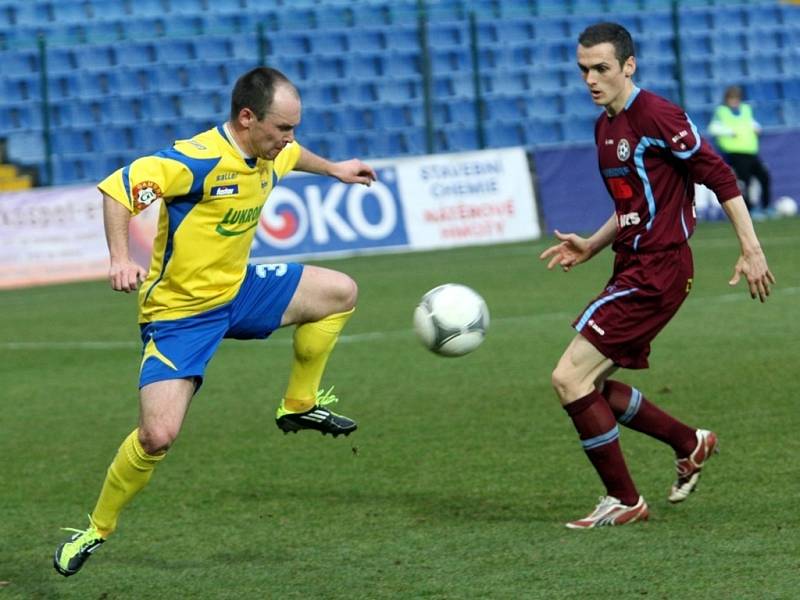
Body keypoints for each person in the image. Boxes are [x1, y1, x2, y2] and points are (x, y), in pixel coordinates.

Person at [54, 66, 377, 576]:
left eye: (294, 129)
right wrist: (119, 257)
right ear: (248, 118)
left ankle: (299, 403)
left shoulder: (271, 150)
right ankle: (95, 528)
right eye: (283, 129)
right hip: (180, 316)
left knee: (340, 292)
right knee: (157, 435)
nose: (290, 140)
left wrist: (335, 168)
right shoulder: (196, 160)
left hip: (239, 289)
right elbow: (118, 191)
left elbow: (295, 157)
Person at [539, 23, 775, 529]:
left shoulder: (658, 115)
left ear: (629, 65)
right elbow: (631, 204)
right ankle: (689, 442)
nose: (591, 79)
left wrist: (751, 249)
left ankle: (624, 500)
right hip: (632, 264)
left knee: (568, 378)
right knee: (591, 388)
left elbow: (720, 174)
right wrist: (591, 244)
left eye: (602, 68)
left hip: (658, 269)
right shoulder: (606, 125)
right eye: (583, 70)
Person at [708, 85, 772, 219]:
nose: (734, 101)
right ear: (727, 99)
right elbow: (713, 128)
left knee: (764, 176)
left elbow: (751, 123)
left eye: (736, 98)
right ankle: (749, 209)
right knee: (745, 181)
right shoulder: (721, 112)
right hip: (735, 153)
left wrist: (756, 128)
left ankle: (767, 207)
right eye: (731, 99)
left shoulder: (746, 110)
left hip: (750, 152)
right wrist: (730, 132)